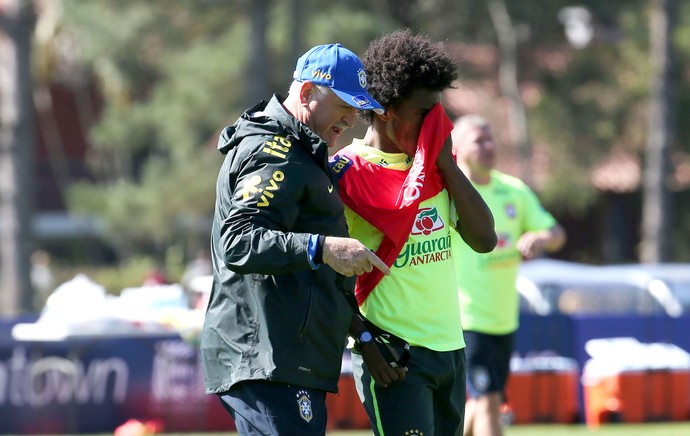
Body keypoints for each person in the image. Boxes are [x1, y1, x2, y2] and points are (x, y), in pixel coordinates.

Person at [200, 43, 391, 436]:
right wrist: (324, 247)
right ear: (306, 94)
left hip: (286, 358)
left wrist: (360, 331)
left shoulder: (303, 151)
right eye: (344, 106)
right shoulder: (276, 152)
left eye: (357, 108)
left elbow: (301, 275)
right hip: (265, 359)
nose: (352, 119)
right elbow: (238, 241)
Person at [329, 29, 497, 436]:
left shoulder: (439, 168)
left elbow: (484, 239)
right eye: (424, 113)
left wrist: (448, 166)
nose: (434, 123)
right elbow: (325, 275)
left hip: (451, 351)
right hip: (394, 357)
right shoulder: (342, 174)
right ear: (386, 110)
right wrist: (365, 341)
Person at [450, 115, 567, 436]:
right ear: (456, 148)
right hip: (466, 320)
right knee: (488, 401)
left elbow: (556, 233)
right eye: (479, 140)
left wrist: (542, 238)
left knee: (483, 400)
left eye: (491, 139)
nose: (489, 146)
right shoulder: (449, 193)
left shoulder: (513, 190)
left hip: (504, 320)